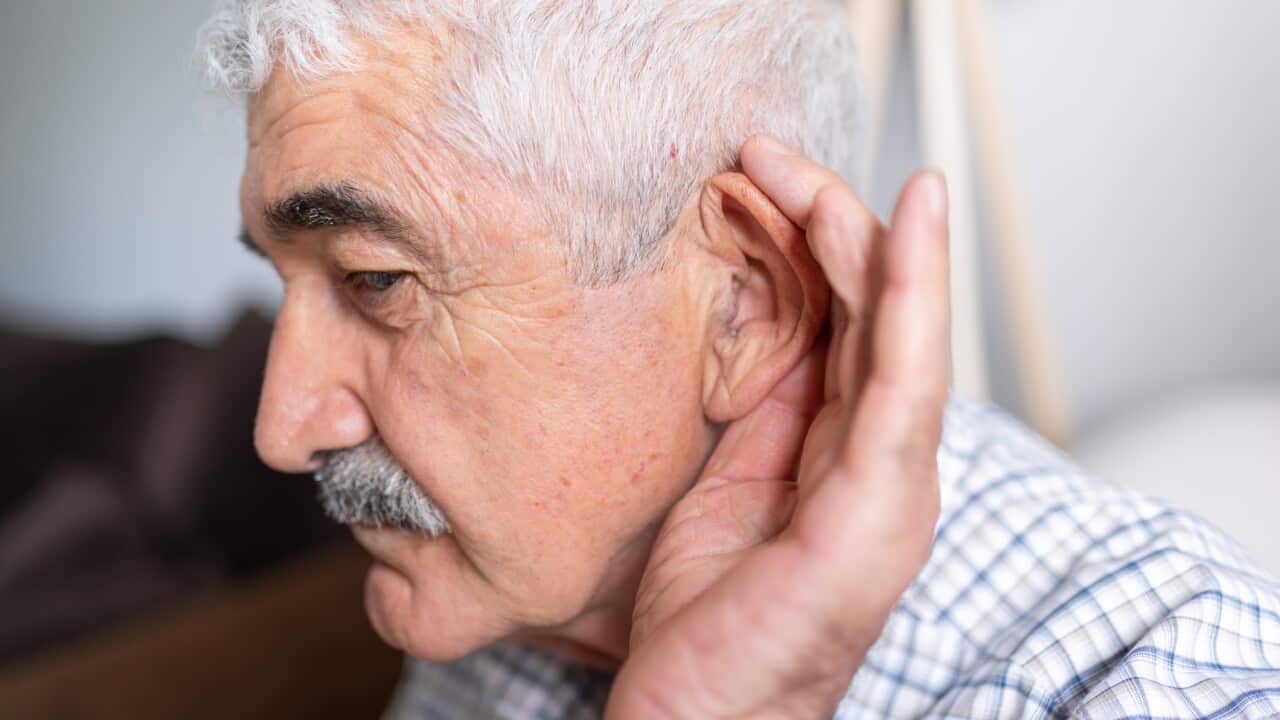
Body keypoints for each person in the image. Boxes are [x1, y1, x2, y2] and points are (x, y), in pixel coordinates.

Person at [197, 1, 1280, 717]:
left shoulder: (1159, 677)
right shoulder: (507, 603)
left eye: (376, 281)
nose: (283, 429)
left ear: (743, 301)